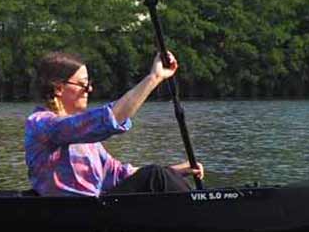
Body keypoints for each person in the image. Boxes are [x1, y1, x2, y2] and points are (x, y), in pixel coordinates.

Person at [25, 50, 205, 197]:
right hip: (70, 213)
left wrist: (175, 171)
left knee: (159, 174)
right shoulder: (42, 124)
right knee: (155, 175)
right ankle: (201, 212)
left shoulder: (86, 137)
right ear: (58, 88)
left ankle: (199, 203)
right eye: (83, 85)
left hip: (93, 209)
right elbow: (109, 119)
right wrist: (154, 78)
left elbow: (118, 174)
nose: (90, 90)